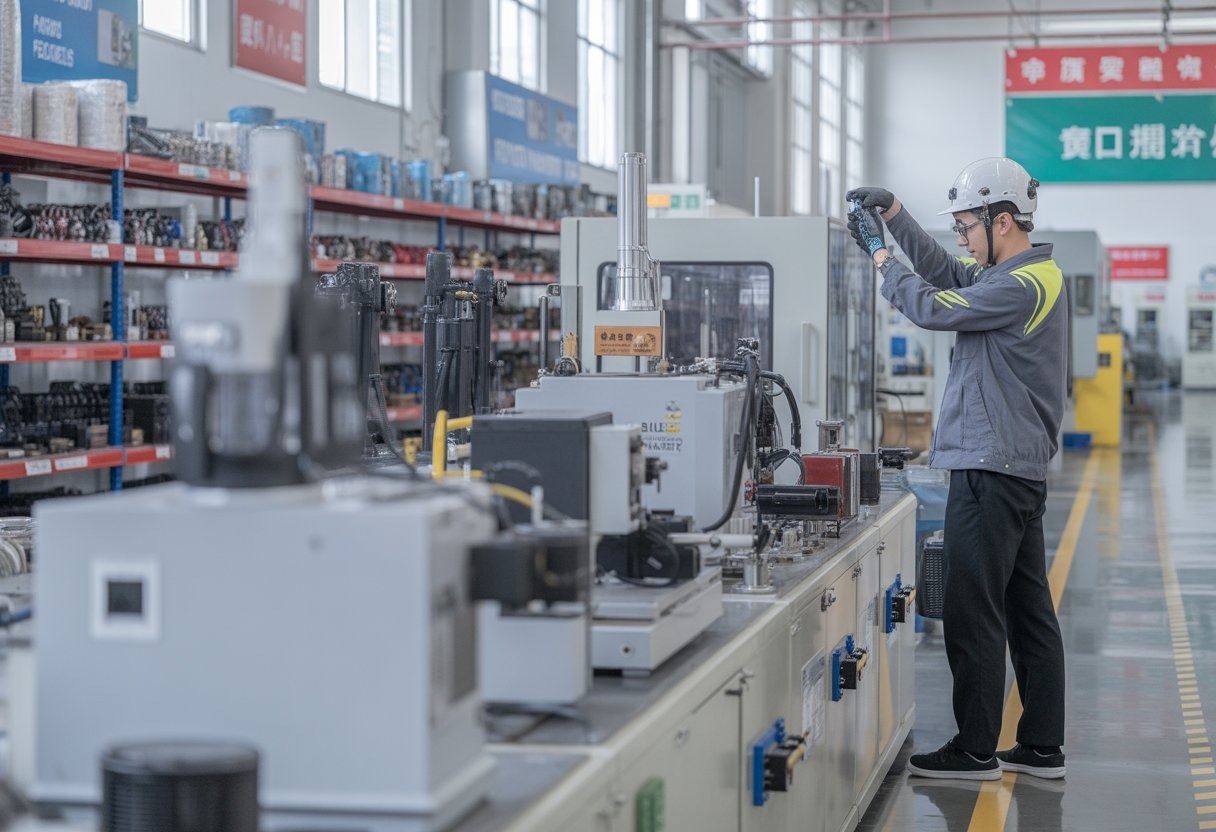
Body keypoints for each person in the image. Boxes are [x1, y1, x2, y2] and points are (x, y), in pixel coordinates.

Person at [845, 157, 1068, 781]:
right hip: (1016, 468)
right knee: (1027, 611)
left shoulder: (1019, 286)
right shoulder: (1025, 273)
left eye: (969, 225)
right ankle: (1042, 745)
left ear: (1003, 220)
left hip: (990, 468)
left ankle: (974, 750)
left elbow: (934, 305)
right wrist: (894, 216)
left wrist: (882, 260)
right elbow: (946, 271)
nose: (963, 238)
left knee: (974, 609)